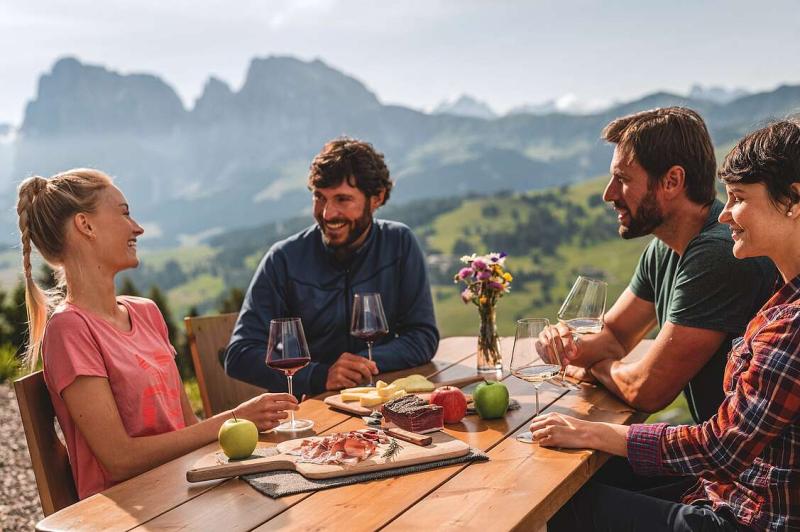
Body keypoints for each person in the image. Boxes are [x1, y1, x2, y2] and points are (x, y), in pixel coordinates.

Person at [535, 120, 800, 531]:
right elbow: (615, 334)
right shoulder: (779, 298)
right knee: (575, 480)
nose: (726, 212)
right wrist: (571, 346)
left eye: (739, 198)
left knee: (559, 502)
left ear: (793, 201)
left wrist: (595, 420)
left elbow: (713, 438)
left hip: (754, 511)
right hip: (734, 484)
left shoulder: (777, 310)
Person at [17, 169, 298, 500]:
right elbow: (119, 461)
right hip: (128, 508)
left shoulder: (146, 312)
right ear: (86, 225)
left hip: (185, 487)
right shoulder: (70, 330)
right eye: (124, 213)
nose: (137, 227)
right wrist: (235, 416)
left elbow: (188, 426)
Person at [552, 107, 776, 423]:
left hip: (742, 465)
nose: (608, 194)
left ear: (672, 181)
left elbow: (648, 391)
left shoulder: (717, 253)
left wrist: (597, 366)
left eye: (622, 179)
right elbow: (615, 335)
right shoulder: (664, 248)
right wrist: (564, 344)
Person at [225, 138, 439, 397]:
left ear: (377, 198)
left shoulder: (399, 243)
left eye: (342, 199)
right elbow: (239, 354)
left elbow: (422, 336)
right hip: (309, 410)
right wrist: (319, 375)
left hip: (379, 401)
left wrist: (360, 365)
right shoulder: (283, 259)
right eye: (319, 197)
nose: (327, 213)